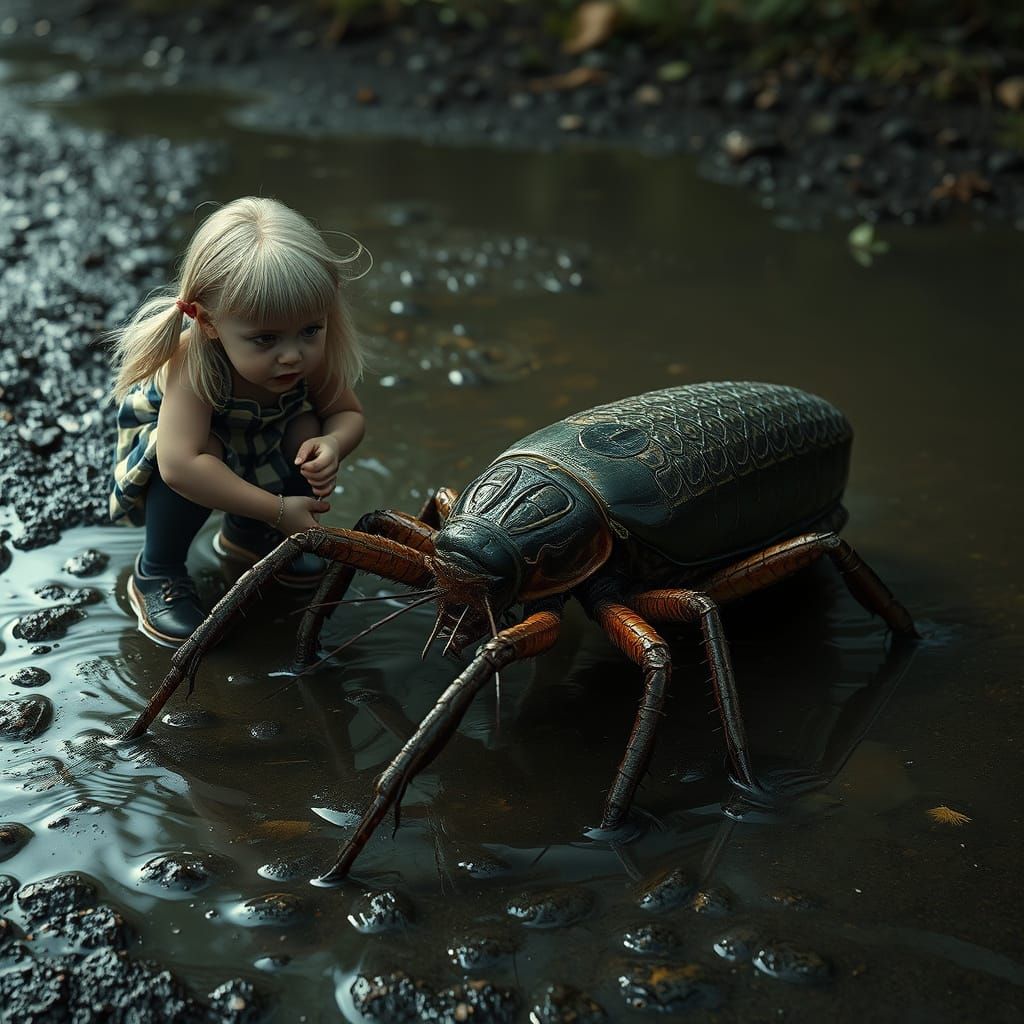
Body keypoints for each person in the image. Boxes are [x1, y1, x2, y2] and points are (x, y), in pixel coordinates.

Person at [108, 196, 367, 647]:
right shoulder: (193, 360)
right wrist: (281, 510)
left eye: (310, 330)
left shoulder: (308, 356)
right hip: (186, 459)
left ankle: (249, 534)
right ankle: (157, 572)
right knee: (197, 453)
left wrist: (333, 444)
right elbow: (178, 465)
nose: (292, 354)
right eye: (265, 339)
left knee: (307, 429)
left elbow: (348, 414)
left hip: (259, 450)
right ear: (207, 322)